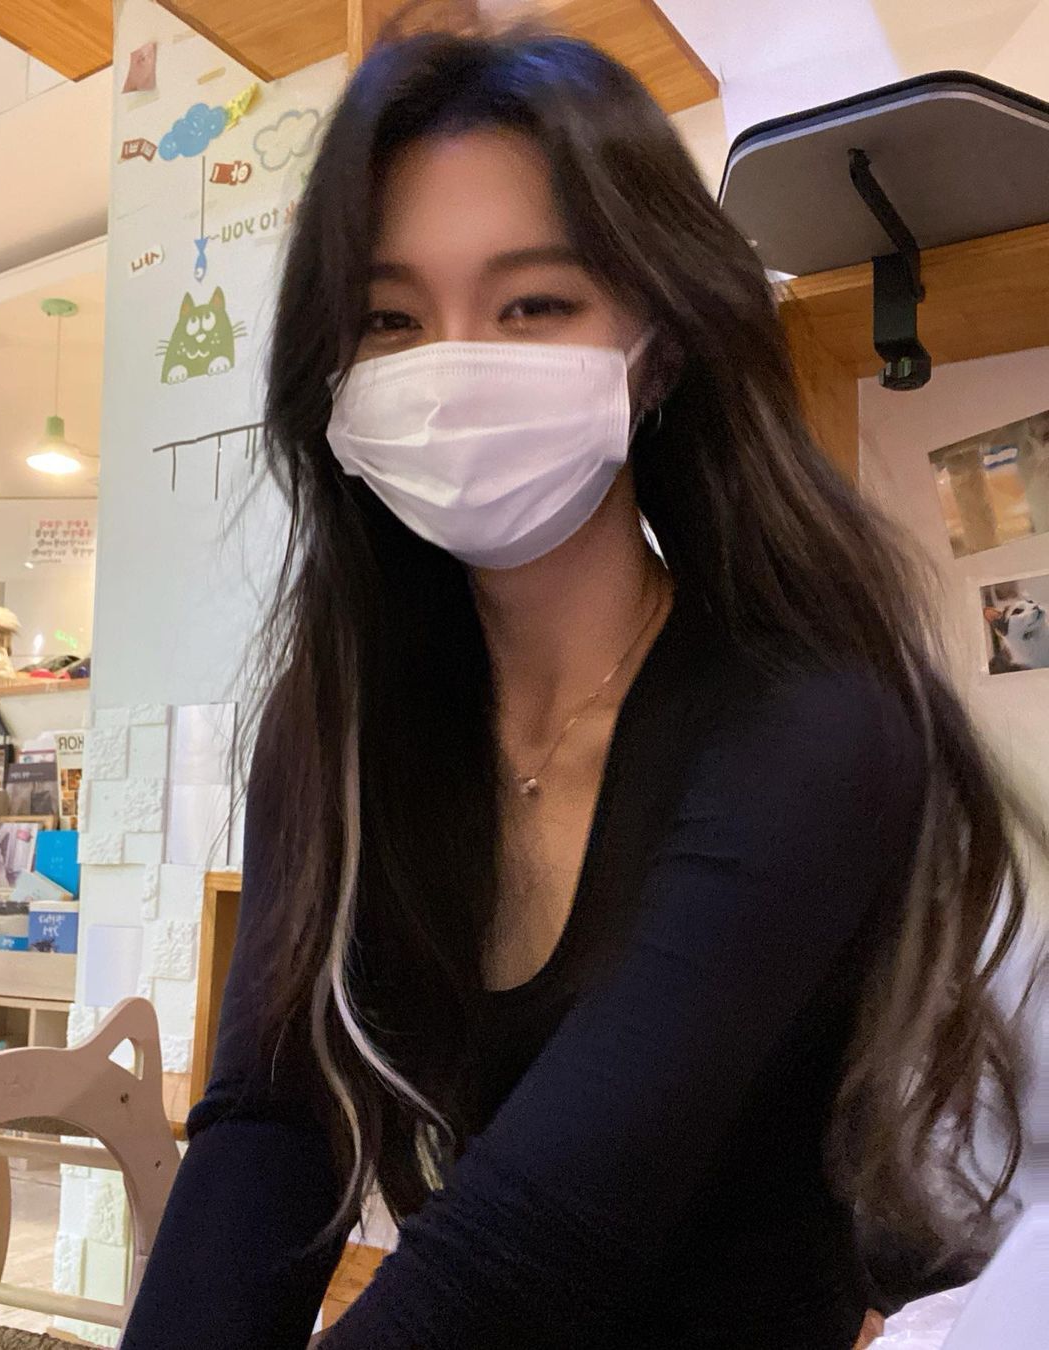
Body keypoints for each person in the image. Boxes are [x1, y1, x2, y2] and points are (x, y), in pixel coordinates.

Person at [120, 20, 1038, 1350]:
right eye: (390, 319)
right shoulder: (337, 722)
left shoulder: (809, 721)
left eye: (533, 305)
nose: (449, 370)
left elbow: (534, 1243)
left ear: (657, 345)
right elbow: (273, 1116)